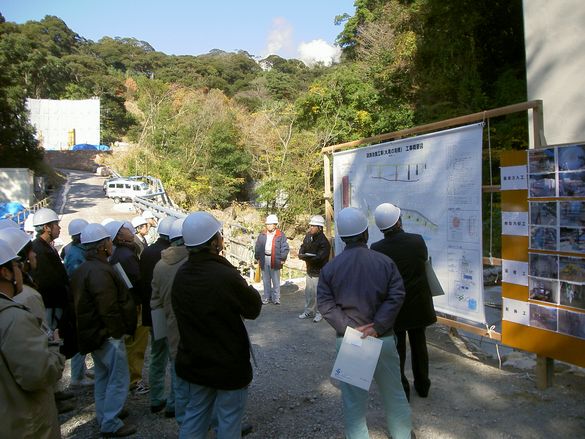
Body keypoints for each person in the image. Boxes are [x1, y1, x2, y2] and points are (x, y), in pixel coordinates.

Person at [317, 207, 412, 439]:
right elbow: (397, 294)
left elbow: (326, 304)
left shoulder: (330, 268)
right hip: (384, 338)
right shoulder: (385, 262)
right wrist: (377, 326)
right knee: (394, 395)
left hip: (352, 342)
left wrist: (350, 329)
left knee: (354, 404)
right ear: (366, 234)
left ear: (341, 237)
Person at [172, 211, 262, 438]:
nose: (222, 238)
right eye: (219, 235)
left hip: (194, 360)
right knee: (229, 420)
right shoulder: (224, 275)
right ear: (213, 244)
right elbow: (253, 309)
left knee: (195, 414)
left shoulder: (181, 275)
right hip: (227, 363)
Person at [71, 223, 137, 437]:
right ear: (101, 247)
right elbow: (108, 307)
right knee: (118, 379)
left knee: (102, 377)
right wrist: (118, 332)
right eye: (108, 241)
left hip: (94, 334)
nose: (111, 244)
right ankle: (110, 422)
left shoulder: (84, 269)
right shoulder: (100, 271)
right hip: (107, 335)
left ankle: (104, 415)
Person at [0, 238, 65, 439]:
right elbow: (38, 374)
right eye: (16, 266)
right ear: (5, 272)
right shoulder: (14, 317)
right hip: (27, 424)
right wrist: (54, 347)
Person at [371, 203, 437, 400]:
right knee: (419, 346)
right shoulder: (417, 241)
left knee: (397, 350)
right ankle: (423, 385)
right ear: (399, 221)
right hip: (418, 304)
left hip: (394, 308)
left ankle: (403, 389)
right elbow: (423, 261)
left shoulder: (376, 248)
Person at [151, 217, 188, 423]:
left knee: (176, 371)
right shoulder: (193, 262)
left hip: (170, 326)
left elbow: (155, 301)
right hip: (193, 328)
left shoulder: (160, 265)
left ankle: (178, 412)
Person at [106, 220, 149, 395]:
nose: (129, 230)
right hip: (135, 303)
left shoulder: (120, 254)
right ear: (119, 236)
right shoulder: (126, 256)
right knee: (136, 344)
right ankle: (134, 380)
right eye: (124, 229)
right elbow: (136, 280)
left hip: (130, 302)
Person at [138, 216, 176, 416]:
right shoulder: (168, 256)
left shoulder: (146, 252)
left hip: (152, 312)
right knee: (174, 357)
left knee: (156, 355)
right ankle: (173, 402)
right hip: (169, 313)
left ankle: (156, 398)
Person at [298, 215, 331, 323]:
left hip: (319, 272)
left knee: (318, 294)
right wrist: (301, 254)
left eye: (313, 226)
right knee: (309, 293)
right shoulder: (308, 236)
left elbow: (320, 257)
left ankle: (319, 313)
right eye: (310, 225)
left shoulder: (324, 242)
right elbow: (303, 246)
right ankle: (309, 311)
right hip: (310, 271)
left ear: (320, 228)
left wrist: (305, 258)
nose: (311, 228)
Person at [254, 214, 289, 305]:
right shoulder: (262, 235)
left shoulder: (280, 235)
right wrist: (257, 257)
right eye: (267, 224)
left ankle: (276, 298)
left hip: (275, 259)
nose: (268, 226)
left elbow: (285, 247)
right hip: (264, 258)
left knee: (275, 280)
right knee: (265, 280)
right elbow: (258, 246)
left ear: (275, 225)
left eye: (271, 224)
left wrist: (282, 258)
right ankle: (266, 297)